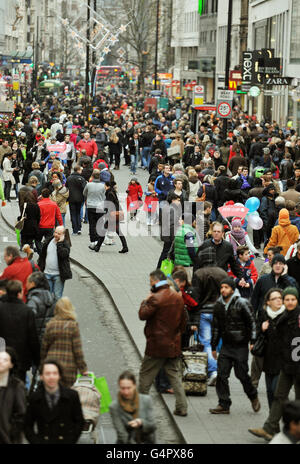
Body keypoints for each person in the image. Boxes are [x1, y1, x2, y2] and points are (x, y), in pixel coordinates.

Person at [248, 288, 300, 441]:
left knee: (298, 401)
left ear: (297, 301)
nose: (290, 302)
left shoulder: (297, 317)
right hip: (286, 366)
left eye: (293, 299)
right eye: (287, 299)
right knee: (279, 395)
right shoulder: (284, 317)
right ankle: (269, 428)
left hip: (298, 368)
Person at [138, 270, 188, 417]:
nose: (149, 284)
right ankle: (182, 407)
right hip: (173, 344)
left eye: (150, 282)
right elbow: (183, 322)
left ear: (154, 281)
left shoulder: (155, 298)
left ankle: (142, 408)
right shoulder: (177, 297)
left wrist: (145, 301)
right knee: (174, 376)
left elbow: (142, 315)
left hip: (156, 345)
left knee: (145, 376)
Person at [209, 278, 260, 414]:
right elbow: (216, 327)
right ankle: (224, 404)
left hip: (240, 345)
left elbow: (252, 322)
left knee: (242, 375)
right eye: (222, 287)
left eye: (226, 287)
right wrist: (213, 346)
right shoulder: (218, 305)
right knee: (221, 374)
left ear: (232, 289)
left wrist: (252, 341)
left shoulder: (242, 303)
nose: (223, 290)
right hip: (226, 346)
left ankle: (253, 396)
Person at [24, 359, 84, 444]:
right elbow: (27, 425)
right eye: (47, 374)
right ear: (41, 376)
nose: (51, 377)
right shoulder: (35, 398)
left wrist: (71, 440)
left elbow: (79, 421)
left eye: (55, 373)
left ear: (59, 376)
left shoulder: (72, 396)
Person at [40, 298, 88, 387]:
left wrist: (42, 367)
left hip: (52, 364)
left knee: (52, 390)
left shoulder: (50, 325)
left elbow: (44, 348)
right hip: (68, 366)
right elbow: (77, 350)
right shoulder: (73, 326)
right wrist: (83, 368)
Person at [0, 280, 40, 382]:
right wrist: (37, 359)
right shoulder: (26, 311)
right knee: (18, 386)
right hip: (21, 358)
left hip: (2, 355)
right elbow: (32, 338)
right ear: (19, 294)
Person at [255, 288, 285, 409]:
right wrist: (261, 329)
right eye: (274, 298)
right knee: (269, 392)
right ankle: (273, 419)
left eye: (280, 298)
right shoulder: (263, 314)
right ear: (268, 302)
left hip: (282, 360)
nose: (278, 300)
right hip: (268, 359)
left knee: (275, 389)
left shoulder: (287, 315)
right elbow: (256, 333)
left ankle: (278, 416)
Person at [110, 371, 156, 444]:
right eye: (123, 388)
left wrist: (140, 422)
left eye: (129, 388)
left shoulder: (146, 400)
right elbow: (121, 434)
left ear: (134, 386)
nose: (126, 392)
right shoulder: (114, 407)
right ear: (119, 387)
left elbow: (152, 425)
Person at [0, 347, 27, 444]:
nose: (1, 362)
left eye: (5, 360)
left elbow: (21, 413)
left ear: (11, 364)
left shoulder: (16, 385)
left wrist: (12, 433)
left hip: (8, 438)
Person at [37, 226, 72, 300]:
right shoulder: (48, 241)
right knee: (48, 297)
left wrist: (59, 243)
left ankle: (56, 311)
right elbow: (42, 256)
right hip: (47, 274)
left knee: (57, 297)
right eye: (55, 232)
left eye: (59, 234)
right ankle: (49, 311)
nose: (56, 235)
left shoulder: (66, 244)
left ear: (63, 235)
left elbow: (63, 254)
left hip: (58, 275)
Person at [26, 271, 56, 344]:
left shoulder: (33, 301)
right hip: (50, 336)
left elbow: (28, 319)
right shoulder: (52, 298)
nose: (26, 284)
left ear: (32, 284)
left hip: (36, 338)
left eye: (27, 282)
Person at [171, 213, 199, 282]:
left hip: (178, 264)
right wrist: (196, 262)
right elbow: (191, 250)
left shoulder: (180, 231)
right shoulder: (189, 233)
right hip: (187, 265)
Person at [83, 169, 106, 250]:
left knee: (92, 224)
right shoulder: (103, 185)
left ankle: (93, 241)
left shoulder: (89, 185)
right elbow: (104, 196)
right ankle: (99, 241)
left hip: (90, 206)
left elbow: (84, 193)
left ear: (92, 176)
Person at [36, 188, 63, 255]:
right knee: (49, 242)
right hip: (50, 226)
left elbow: (36, 216)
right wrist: (61, 225)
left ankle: (41, 253)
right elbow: (58, 216)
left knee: (37, 240)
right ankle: (46, 253)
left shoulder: (38, 204)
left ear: (42, 195)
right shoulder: (54, 204)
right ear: (49, 195)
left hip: (40, 226)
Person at [66, 164, 87, 236]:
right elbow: (84, 189)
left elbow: (66, 187)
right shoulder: (82, 179)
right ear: (78, 170)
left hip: (71, 198)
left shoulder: (69, 178)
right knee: (78, 213)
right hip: (80, 199)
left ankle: (74, 230)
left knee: (73, 214)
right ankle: (79, 229)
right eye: (81, 170)